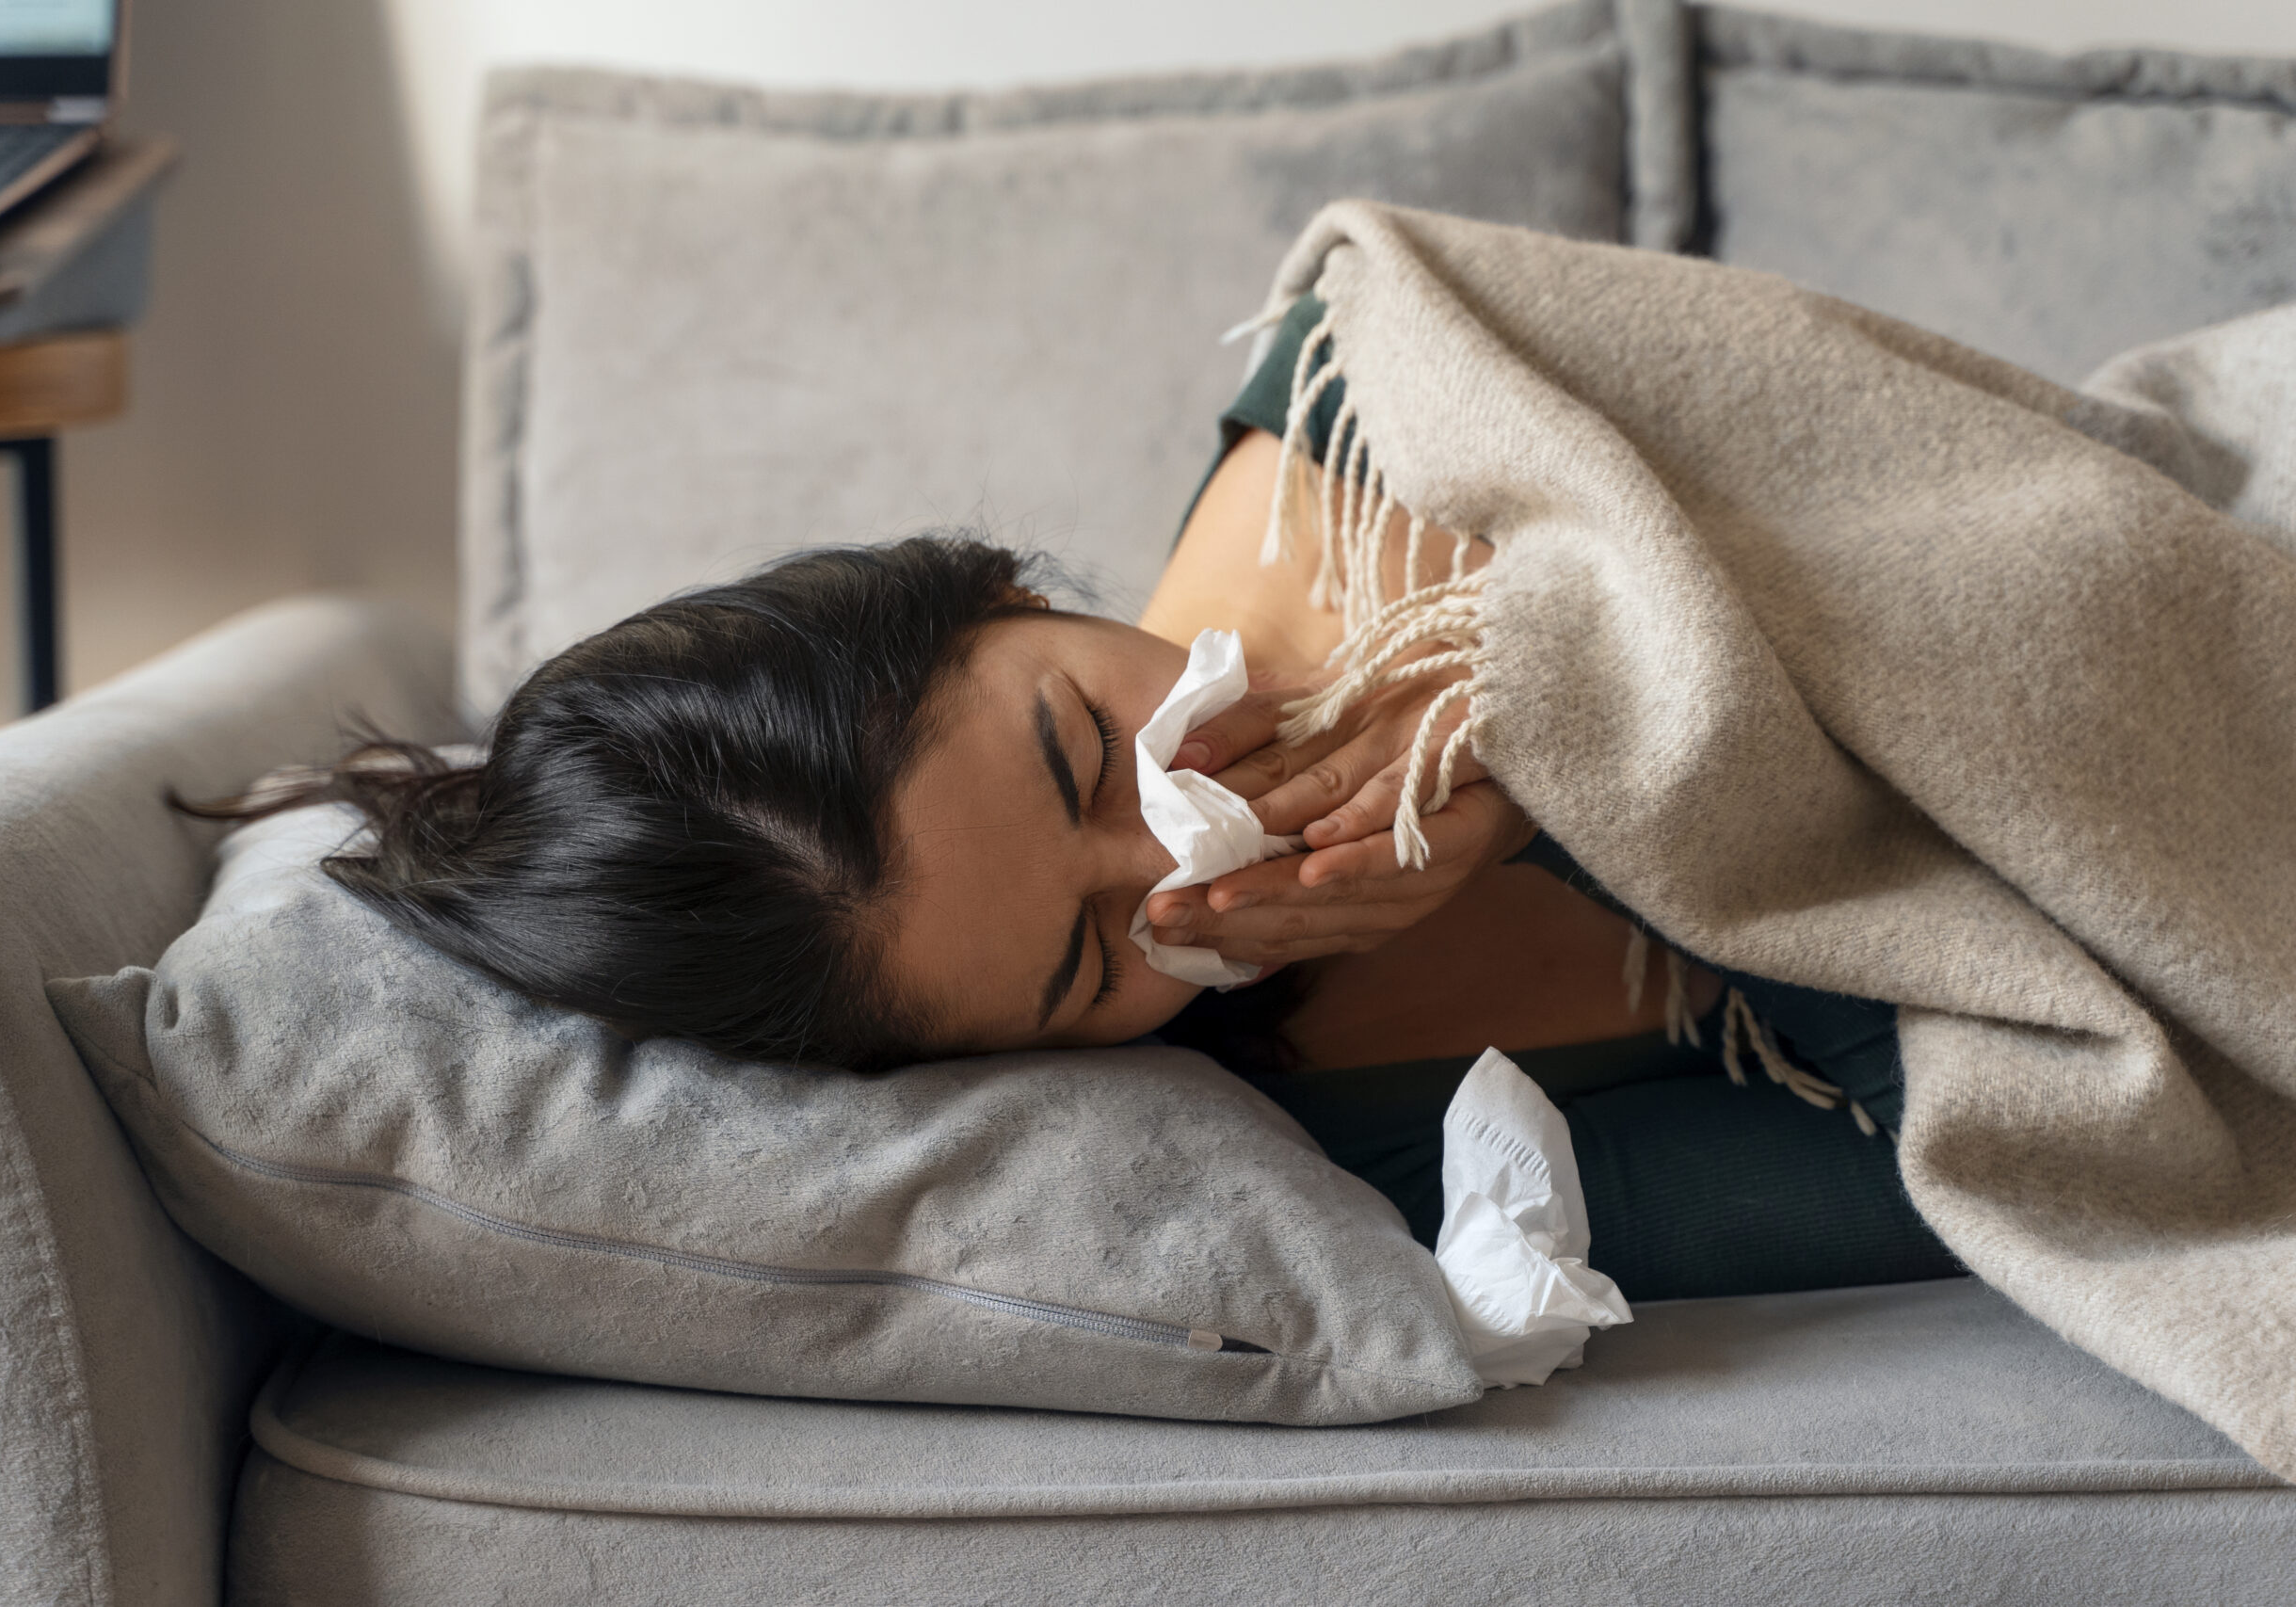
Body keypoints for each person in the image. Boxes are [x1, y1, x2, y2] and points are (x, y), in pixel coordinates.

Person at [190, 296, 1958, 1302]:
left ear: (1004, 596)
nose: (1194, 844)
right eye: (1096, 950)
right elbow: (1942, 1166)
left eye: (1086, 750)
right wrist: (1551, 780)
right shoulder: (1384, 1150)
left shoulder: (1347, 404)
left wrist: (1521, 687)